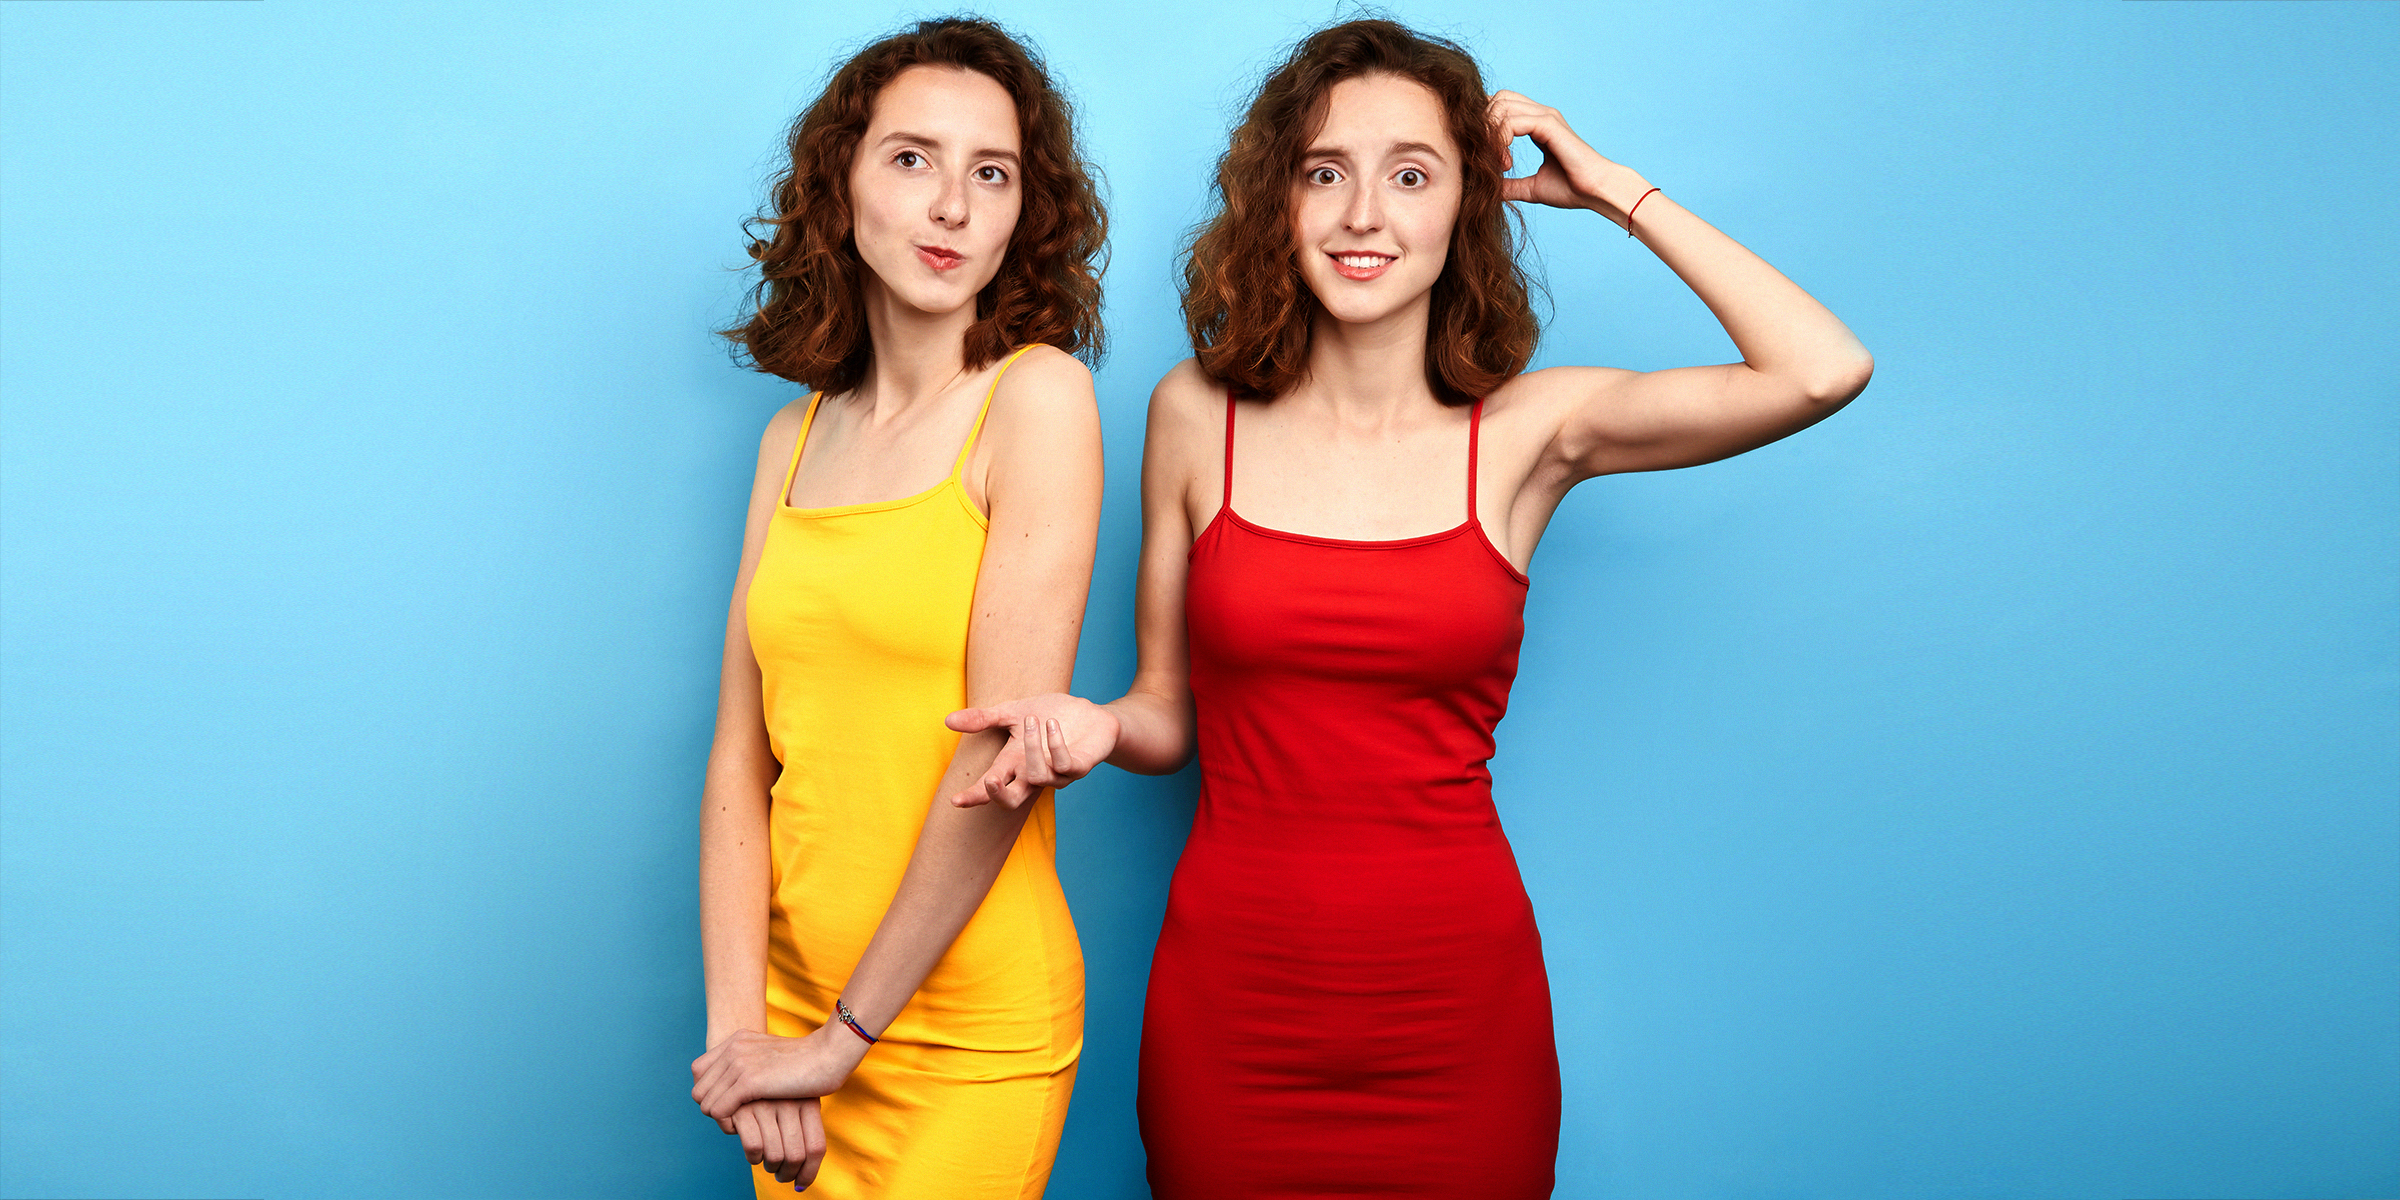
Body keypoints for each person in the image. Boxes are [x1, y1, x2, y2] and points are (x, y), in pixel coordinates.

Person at [947, 18, 1871, 1197]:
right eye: (1325, 173)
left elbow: (1821, 369)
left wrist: (1612, 191)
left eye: (1412, 175)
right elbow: (1169, 714)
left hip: (1457, 1017)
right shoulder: (1195, 412)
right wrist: (1096, 727)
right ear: (1279, 201)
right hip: (1235, 1012)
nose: (1364, 215)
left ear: (1466, 208)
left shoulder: (1535, 431)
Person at [684, 17, 1106, 1197]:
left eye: (993, 173)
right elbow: (739, 761)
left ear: (1028, 210)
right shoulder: (793, 437)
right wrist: (744, 1042)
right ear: (844, 182)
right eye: (913, 158)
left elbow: (998, 767)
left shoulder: (1039, 401)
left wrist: (838, 1043)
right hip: (786, 1015)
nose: (953, 208)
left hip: (955, 1032)